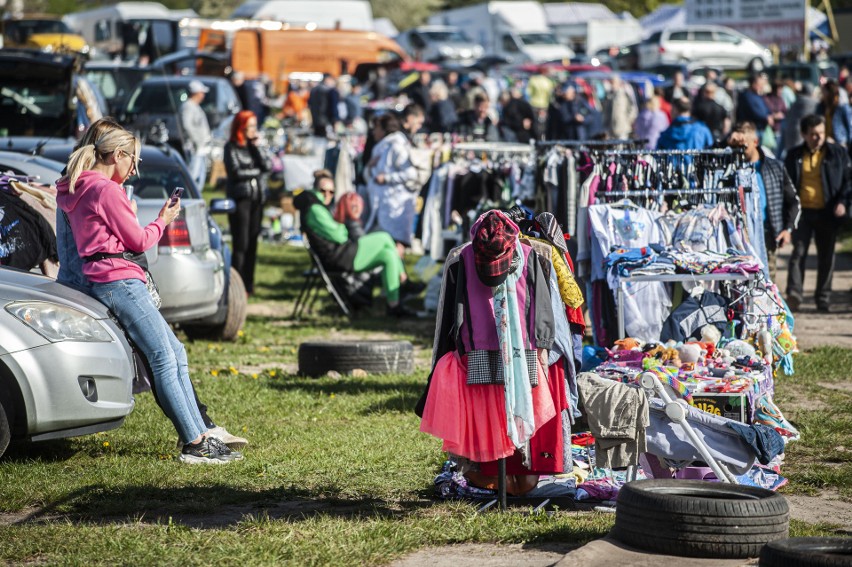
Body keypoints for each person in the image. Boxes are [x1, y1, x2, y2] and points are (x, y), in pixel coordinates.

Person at [55, 117, 247, 451]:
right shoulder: (105, 190)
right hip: (121, 282)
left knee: (175, 352)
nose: (134, 169)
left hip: (103, 280)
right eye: (133, 159)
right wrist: (163, 219)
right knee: (163, 356)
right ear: (117, 154)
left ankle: (201, 431)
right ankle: (195, 442)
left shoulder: (74, 187)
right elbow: (139, 241)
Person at [294, 170, 423, 317]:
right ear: (315, 189)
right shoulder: (315, 209)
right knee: (384, 237)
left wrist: (338, 227)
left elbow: (337, 232)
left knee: (388, 255)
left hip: (338, 254)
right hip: (337, 257)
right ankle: (404, 282)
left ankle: (394, 305)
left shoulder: (316, 207)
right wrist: (341, 227)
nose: (327, 195)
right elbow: (340, 236)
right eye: (323, 190)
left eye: (331, 192)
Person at [784, 114, 852, 312]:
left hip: (827, 212)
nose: (818, 138)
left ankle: (823, 298)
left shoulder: (837, 153)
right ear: (804, 134)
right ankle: (794, 294)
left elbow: (849, 180)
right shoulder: (794, 155)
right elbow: (786, 184)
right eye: (813, 134)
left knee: (826, 256)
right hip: (802, 213)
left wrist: (843, 202)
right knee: (798, 253)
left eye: (821, 133)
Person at [728, 122, 800, 282]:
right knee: (738, 282)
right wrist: (727, 143)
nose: (740, 150)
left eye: (744, 146)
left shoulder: (774, 167)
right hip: (739, 237)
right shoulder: (729, 168)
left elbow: (794, 201)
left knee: (767, 282)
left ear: (755, 142)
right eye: (736, 146)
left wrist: (787, 229)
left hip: (768, 234)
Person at [224, 110, 271, 296]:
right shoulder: (231, 147)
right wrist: (256, 171)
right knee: (241, 243)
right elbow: (235, 172)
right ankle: (237, 285)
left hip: (257, 199)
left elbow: (267, 166)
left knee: (253, 242)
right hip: (241, 199)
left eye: (254, 125)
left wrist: (257, 147)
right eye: (250, 125)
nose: (253, 129)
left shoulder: (253, 147)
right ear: (241, 126)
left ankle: (249, 284)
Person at [364, 113, 419, 257]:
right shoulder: (382, 148)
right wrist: (369, 167)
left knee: (395, 242)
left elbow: (411, 174)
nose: (373, 132)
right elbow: (370, 177)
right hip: (385, 204)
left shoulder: (397, 147)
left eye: (376, 128)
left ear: (384, 129)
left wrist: (387, 178)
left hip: (396, 204)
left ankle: (398, 276)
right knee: (385, 239)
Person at [179, 80, 212, 190]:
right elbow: (187, 125)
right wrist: (196, 141)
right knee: (193, 175)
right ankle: (190, 197)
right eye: (202, 92)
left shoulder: (194, 106)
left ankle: (197, 197)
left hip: (201, 147)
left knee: (201, 175)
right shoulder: (188, 106)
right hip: (194, 147)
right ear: (196, 93)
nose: (203, 95)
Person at [781, 84, 818, 157]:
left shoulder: (797, 101)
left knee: (791, 153)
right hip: (801, 132)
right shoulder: (811, 102)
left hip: (790, 130)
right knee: (798, 155)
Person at [736, 74, 772, 142]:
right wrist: (766, 117)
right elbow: (754, 111)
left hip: (760, 128)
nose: (761, 87)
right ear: (754, 83)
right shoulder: (747, 96)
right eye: (760, 84)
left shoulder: (758, 96)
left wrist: (769, 115)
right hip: (751, 129)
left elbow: (766, 108)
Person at [817, 80, 852, 148]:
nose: (822, 93)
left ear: (830, 92)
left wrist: (849, 145)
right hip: (825, 142)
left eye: (824, 91)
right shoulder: (822, 106)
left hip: (840, 143)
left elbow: (849, 126)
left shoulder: (842, 107)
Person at [603, 76, 637, 140]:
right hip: (611, 128)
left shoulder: (624, 94)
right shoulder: (609, 95)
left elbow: (633, 109)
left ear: (618, 83)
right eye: (611, 83)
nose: (612, 85)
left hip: (622, 127)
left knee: (621, 147)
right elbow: (606, 112)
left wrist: (627, 120)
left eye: (614, 83)